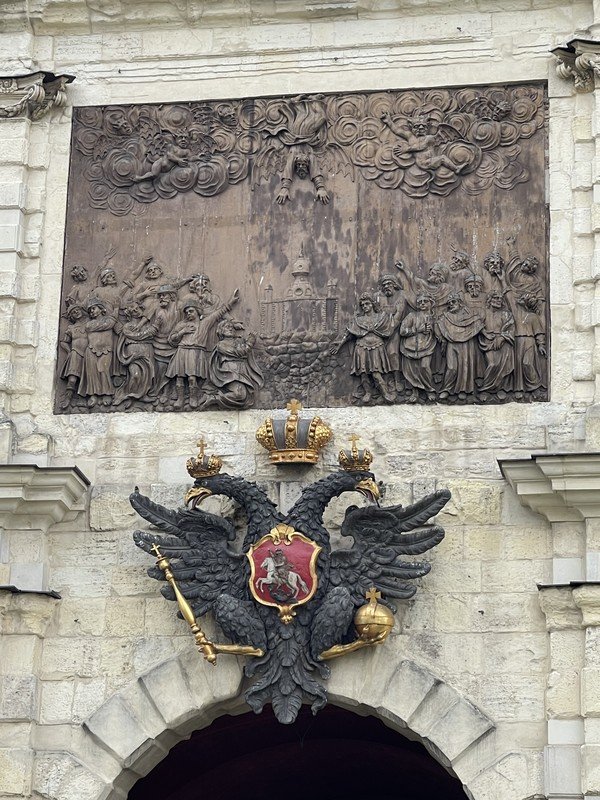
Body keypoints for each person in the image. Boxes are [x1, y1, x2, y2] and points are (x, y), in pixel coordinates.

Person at [166, 290, 240, 409]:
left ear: (197, 311)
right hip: (182, 351)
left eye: (191, 311)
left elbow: (218, 313)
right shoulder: (181, 325)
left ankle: (193, 397)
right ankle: (180, 399)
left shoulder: (204, 323)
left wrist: (231, 302)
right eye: (186, 312)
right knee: (179, 378)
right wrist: (181, 332)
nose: (188, 314)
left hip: (195, 353)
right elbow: (171, 339)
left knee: (192, 378)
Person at [330, 293, 396, 403]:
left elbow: (388, 330)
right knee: (363, 373)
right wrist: (339, 345)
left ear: (372, 304)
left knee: (376, 374)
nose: (365, 306)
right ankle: (367, 392)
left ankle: (385, 392)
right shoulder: (358, 320)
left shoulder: (381, 318)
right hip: (361, 347)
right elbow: (349, 334)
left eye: (367, 304)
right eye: (363, 305)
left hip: (377, 347)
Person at [200, 318, 263, 410]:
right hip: (229, 372)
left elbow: (244, 352)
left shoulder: (238, 341)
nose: (231, 329)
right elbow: (239, 352)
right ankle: (213, 398)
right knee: (239, 395)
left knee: (242, 396)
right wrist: (250, 342)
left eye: (232, 327)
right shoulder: (221, 345)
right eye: (227, 327)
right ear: (221, 331)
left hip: (240, 371)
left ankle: (214, 398)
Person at [436, 293, 484, 398]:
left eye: (453, 302)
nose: (451, 304)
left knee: (465, 366)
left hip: (466, 343)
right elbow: (439, 327)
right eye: (449, 303)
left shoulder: (469, 315)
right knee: (451, 367)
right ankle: (447, 389)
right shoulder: (445, 317)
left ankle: (464, 389)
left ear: (460, 303)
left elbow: (478, 324)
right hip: (451, 343)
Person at [113, 302, 156, 408]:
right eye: (133, 311)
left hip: (146, 352)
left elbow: (153, 306)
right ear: (129, 314)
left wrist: (145, 333)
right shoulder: (127, 326)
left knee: (146, 376)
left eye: (137, 309)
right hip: (133, 355)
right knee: (135, 375)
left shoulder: (147, 324)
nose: (136, 311)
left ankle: (142, 395)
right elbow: (135, 336)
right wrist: (146, 334)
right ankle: (128, 395)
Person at [398, 294, 437, 401]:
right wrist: (417, 330)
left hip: (427, 346)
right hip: (409, 347)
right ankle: (415, 392)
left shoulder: (434, 318)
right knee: (411, 371)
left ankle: (429, 389)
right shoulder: (411, 316)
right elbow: (402, 331)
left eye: (425, 301)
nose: (422, 303)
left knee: (424, 367)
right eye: (420, 302)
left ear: (431, 303)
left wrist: (433, 329)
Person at [78, 298, 117, 407]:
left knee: (103, 369)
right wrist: (116, 310)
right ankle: (93, 395)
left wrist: (116, 310)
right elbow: (107, 324)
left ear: (101, 309)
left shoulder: (109, 320)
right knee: (92, 373)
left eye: (93, 308)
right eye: (90, 310)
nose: (91, 311)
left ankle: (106, 393)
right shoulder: (90, 324)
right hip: (91, 350)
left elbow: (110, 324)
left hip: (106, 350)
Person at [478, 291, 515, 393]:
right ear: (490, 300)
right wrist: (486, 334)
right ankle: (486, 387)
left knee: (505, 365)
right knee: (493, 364)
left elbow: (511, 328)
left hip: (504, 341)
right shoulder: (483, 312)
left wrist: (502, 338)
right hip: (488, 341)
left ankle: (502, 388)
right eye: (496, 298)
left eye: (500, 299)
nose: (499, 300)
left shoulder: (506, 314)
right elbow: (477, 325)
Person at [59, 304, 88, 409]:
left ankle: (83, 399)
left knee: (87, 378)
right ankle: (68, 398)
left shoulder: (89, 323)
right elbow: (64, 342)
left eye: (77, 310)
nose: (76, 312)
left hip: (88, 354)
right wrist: (69, 351)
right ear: (71, 316)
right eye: (73, 312)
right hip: (75, 353)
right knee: (72, 379)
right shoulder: (71, 328)